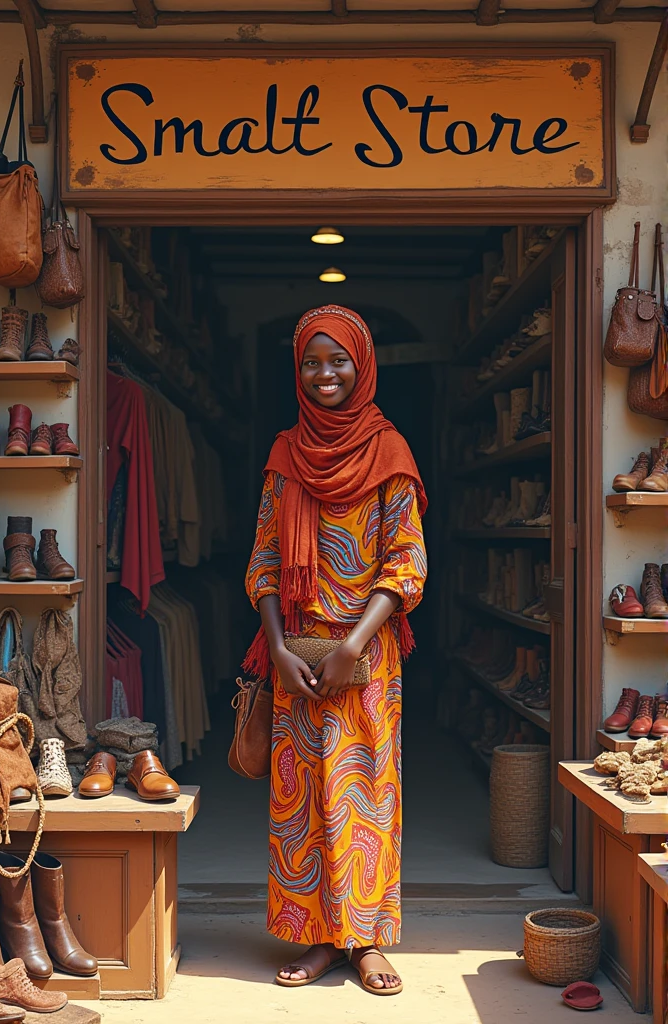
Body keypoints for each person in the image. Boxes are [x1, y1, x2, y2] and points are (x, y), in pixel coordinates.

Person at [244, 304, 427, 996]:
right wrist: (277, 647)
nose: (325, 374)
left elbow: (407, 563)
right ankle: (317, 936)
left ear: (363, 365)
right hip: (296, 654)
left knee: (367, 796)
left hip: (367, 657)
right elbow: (263, 559)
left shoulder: (391, 452)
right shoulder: (285, 455)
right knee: (304, 798)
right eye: (311, 362)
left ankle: (367, 939)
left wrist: (352, 646)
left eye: (338, 360)